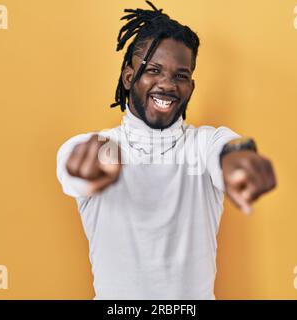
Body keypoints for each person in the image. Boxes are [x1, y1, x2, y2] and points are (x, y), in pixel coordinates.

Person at [57, 1, 276, 300]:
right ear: (129, 76)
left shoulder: (204, 144)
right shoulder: (102, 147)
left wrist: (239, 160)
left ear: (191, 87)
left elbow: (227, 149)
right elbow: (77, 161)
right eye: (154, 70)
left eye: (180, 75)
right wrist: (89, 163)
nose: (167, 84)